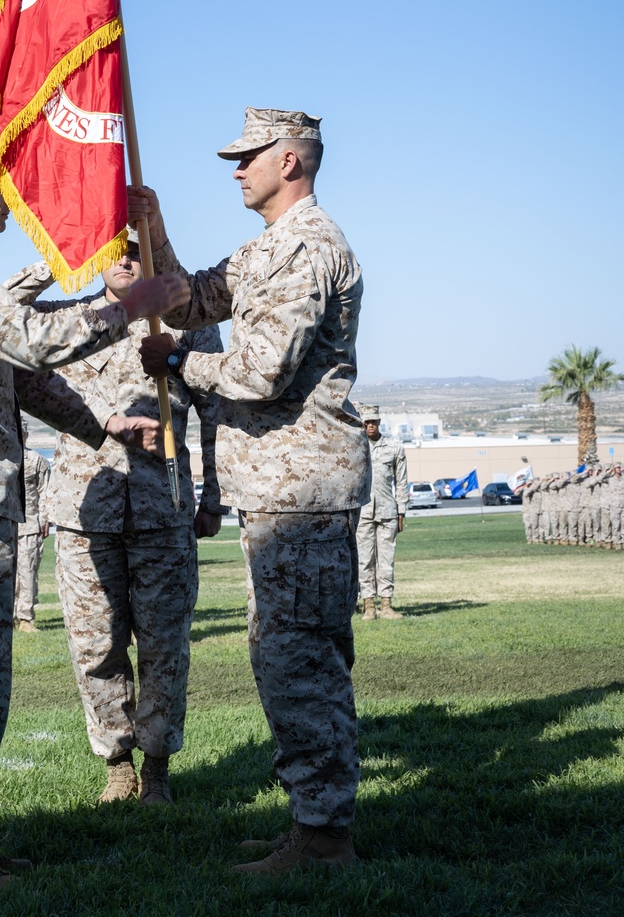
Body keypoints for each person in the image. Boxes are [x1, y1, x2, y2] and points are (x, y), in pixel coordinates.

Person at [0, 140, 187, 897]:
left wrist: (101, 428)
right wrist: (125, 310)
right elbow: (28, 339)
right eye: (0, 187)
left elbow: (20, 376)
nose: (14, 203)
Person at [135, 107, 371, 873]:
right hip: (281, 493)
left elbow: (259, 373)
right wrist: (155, 229)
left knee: (298, 663)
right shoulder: (272, 246)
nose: (237, 169)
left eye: (249, 157)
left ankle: (322, 839)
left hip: (301, 494)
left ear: (291, 162)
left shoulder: (308, 248)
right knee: (290, 656)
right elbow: (195, 297)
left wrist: (176, 365)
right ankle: (312, 823)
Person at [15, 232, 226, 805]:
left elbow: (218, 415)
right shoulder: (70, 320)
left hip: (165, 510)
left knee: (164, 645)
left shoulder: (186, 327)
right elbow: (8, 321)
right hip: (86, 511)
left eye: (134, 250)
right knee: (94, 646)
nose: (125, 259)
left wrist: (214, 498)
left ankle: (156, 766)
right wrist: (59, 258)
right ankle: (116, 763)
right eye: (110, 249)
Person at [355, 407, 407, 619]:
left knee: (386, 560)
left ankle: (386, 604)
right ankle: (369, 605)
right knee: (364, 560)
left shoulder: (394, 447)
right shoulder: (355, 447)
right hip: (363, 512)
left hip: (387, 512)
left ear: (379, 422)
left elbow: (402, 482)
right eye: (367, 421)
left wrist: (401, 511)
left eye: (374, 421)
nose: (370, 425)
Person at [13, 438, 50, 632]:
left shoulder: (37, 460)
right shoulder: (1, 458)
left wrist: (45, 518)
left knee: (28, 574)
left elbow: (45, 491)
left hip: (29, 525)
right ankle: (9, 617)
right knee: (6, 574)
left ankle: (26, 618)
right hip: (6, 527)